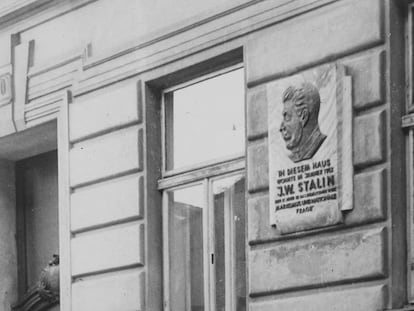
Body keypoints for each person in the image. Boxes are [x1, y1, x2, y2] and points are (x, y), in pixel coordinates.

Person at [279, 82, 326, 163]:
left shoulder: (323, 147)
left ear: (303, 116)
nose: (281, 127)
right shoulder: (294, 156)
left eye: (287, 117)